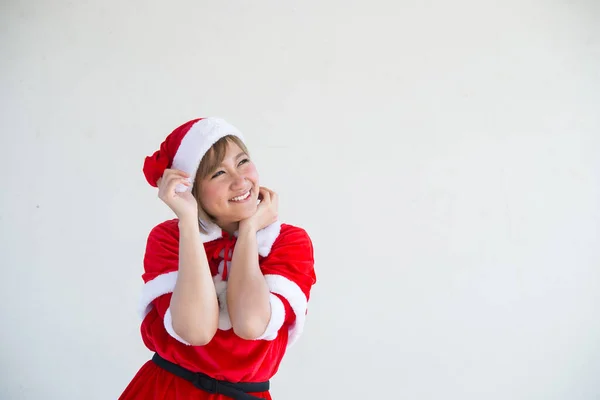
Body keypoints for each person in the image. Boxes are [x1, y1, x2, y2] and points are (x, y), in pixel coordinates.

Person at [119, 117, 317, 400]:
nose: (240, 181)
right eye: (217, 174)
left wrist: (249, 230)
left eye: (242, 161)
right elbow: (195, 331)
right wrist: (188, 220)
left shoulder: (286, 242)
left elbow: (251, 324)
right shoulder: (169, 238)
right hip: (165, 391)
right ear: (192, 189)